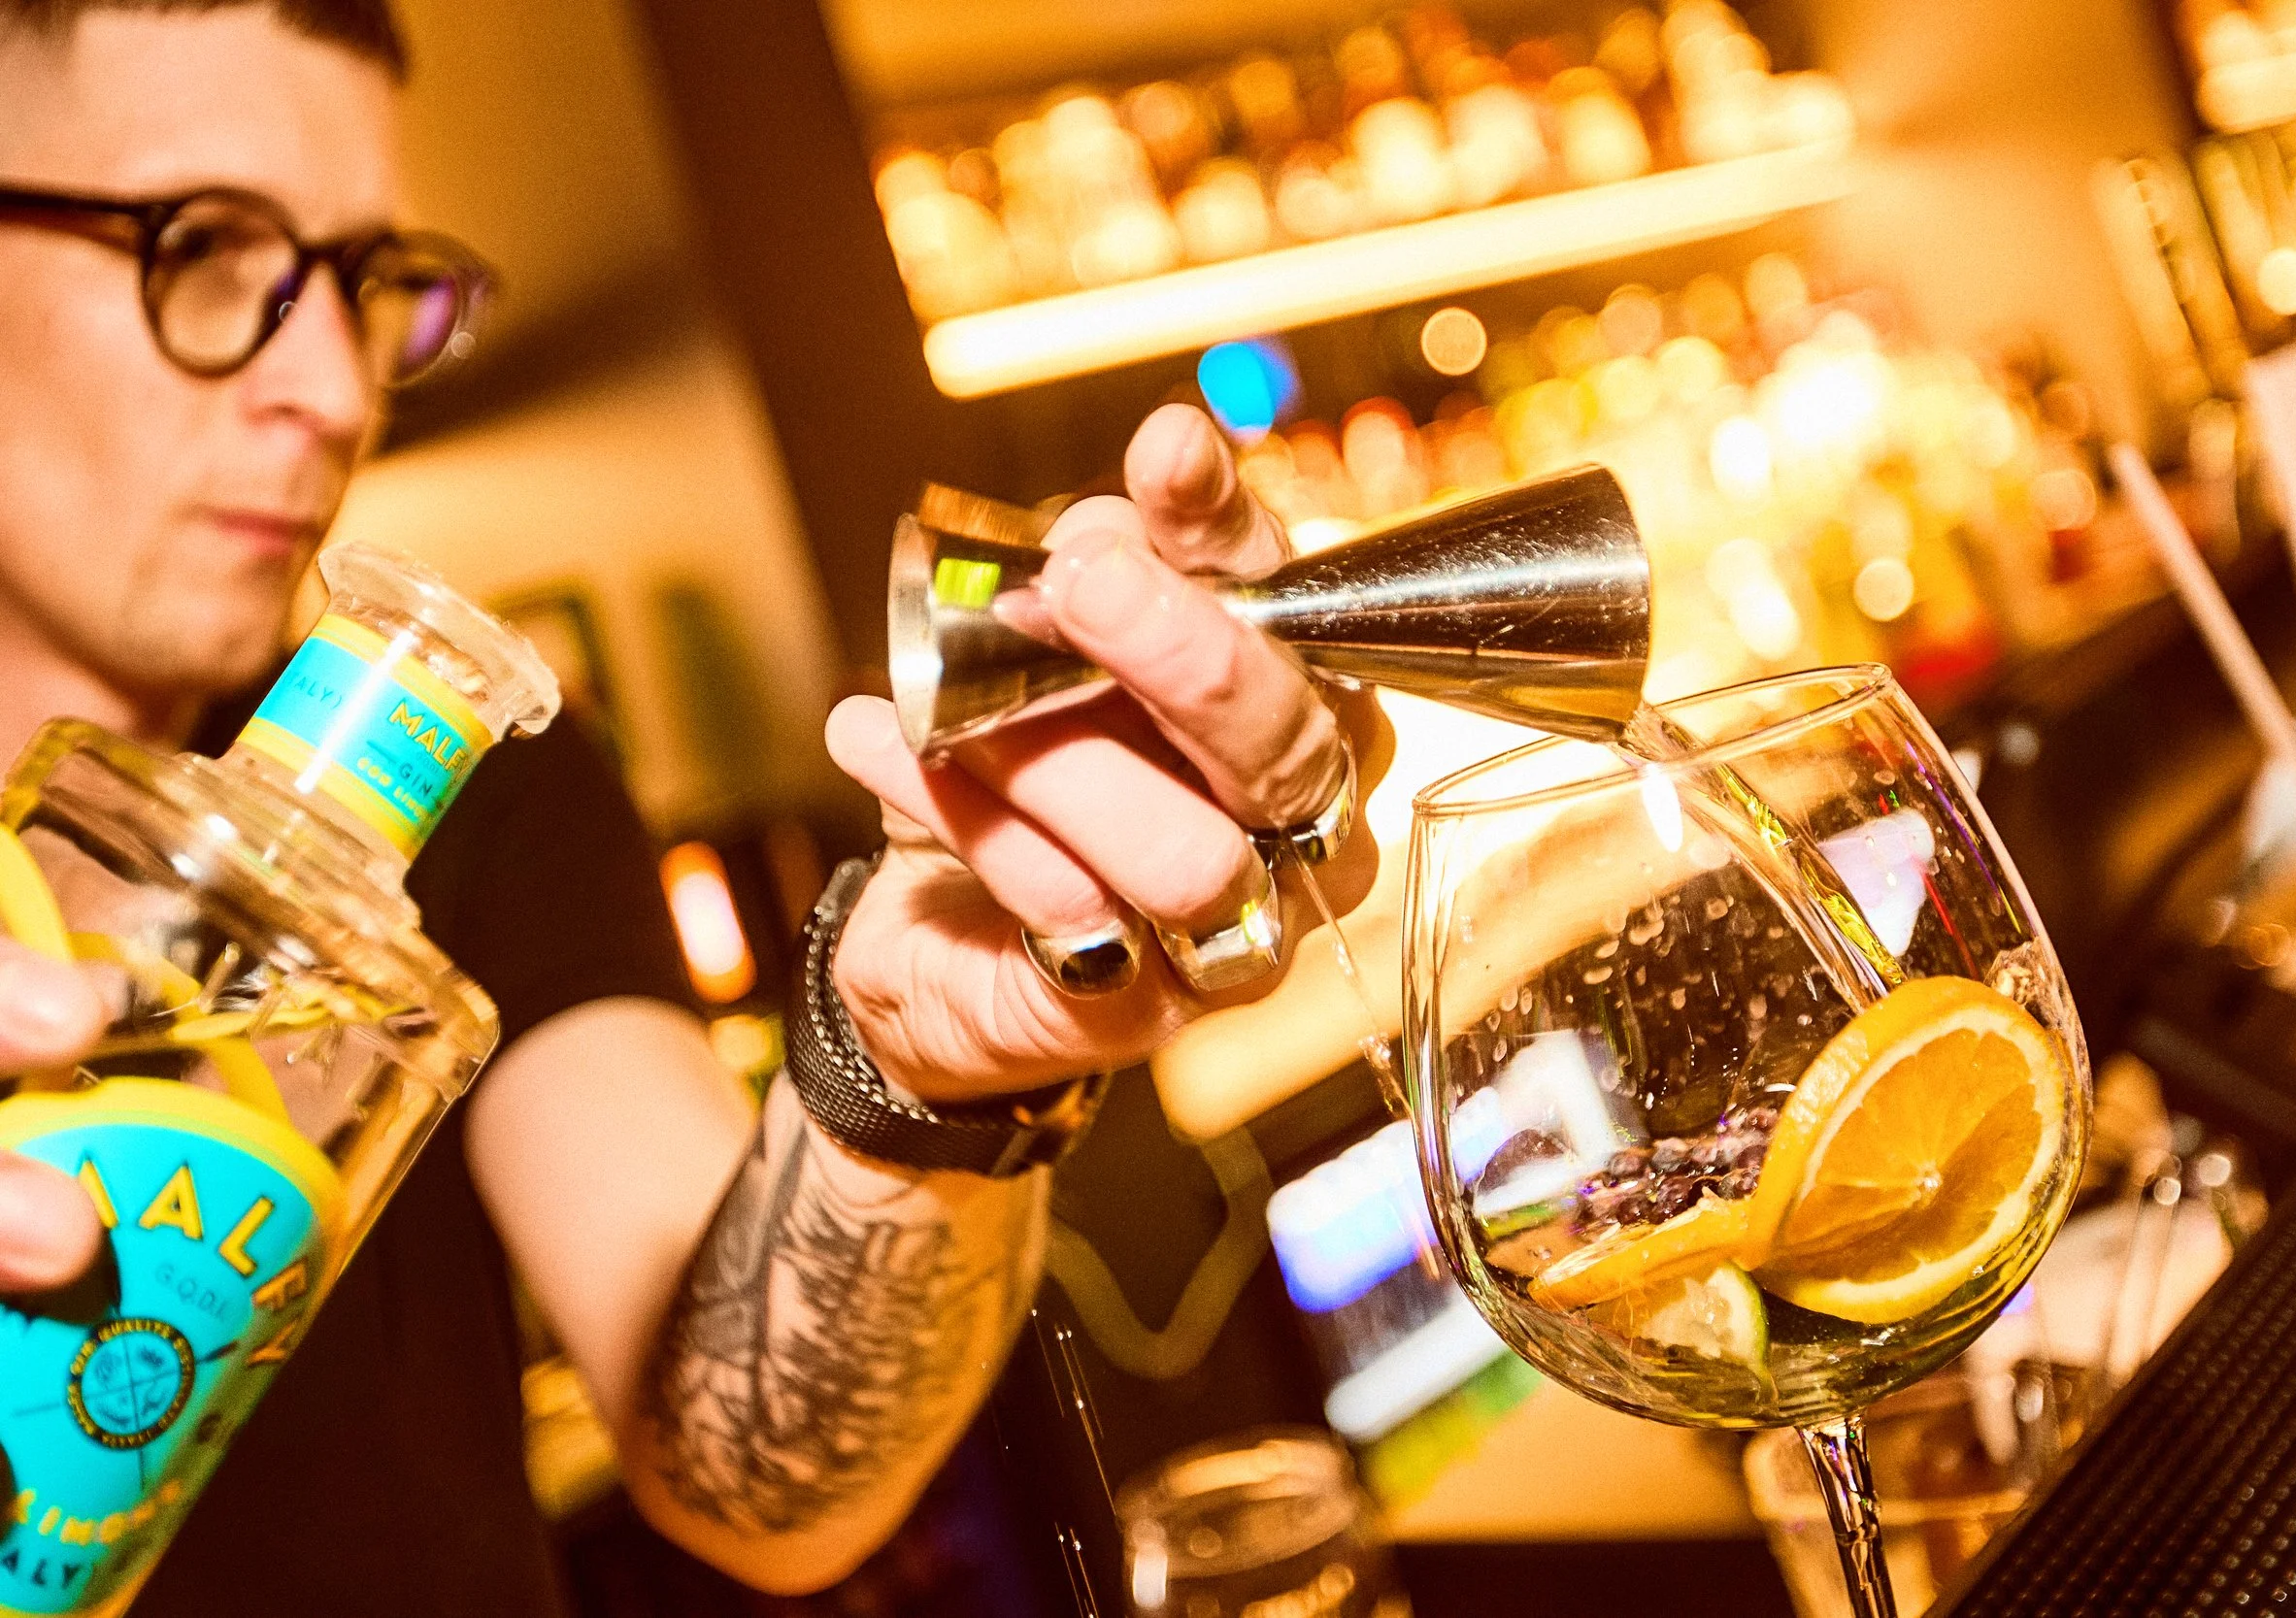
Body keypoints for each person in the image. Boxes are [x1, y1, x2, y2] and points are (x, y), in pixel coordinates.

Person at [0, 2, 1381, 1612]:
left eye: (367, 279)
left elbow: (754, 1475)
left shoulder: (453, 773)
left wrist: (917, 1076)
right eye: (212, 250)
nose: (329, 383)